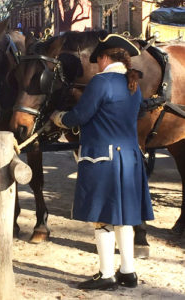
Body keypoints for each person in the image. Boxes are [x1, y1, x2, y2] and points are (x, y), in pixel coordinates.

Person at [50, 34, 154, 291]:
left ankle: (106, 274)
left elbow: (80, 116)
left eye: (98, 60)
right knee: (124, 217)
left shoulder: (101, 81)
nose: (96, 65)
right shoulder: (132, 84)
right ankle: (128, 271)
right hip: (129, 158)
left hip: (103, 159)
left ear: (106, 58)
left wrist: (58, 117)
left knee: (102, 219)